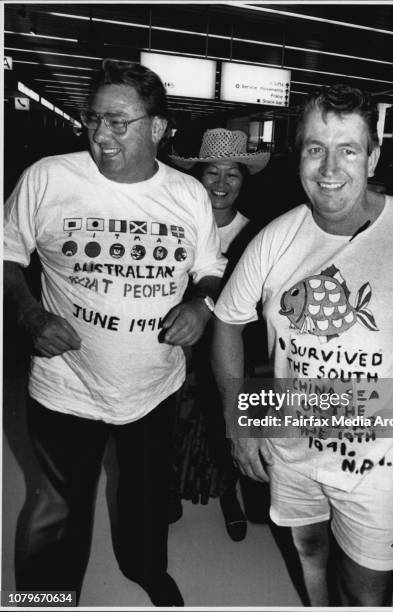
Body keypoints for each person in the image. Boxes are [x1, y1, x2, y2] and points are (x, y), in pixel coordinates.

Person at [211, 85, 393, 606]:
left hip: (384, 465)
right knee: (309, 552)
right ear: (298, 156)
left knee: (368, 594)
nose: (330, 168)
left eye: (348, 149)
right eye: (315, 149)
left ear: (372, 157)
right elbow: (226, 324)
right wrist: (243, 426)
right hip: (293, 452)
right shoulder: (274, 238)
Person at [3, 58, 226, 606]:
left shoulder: (188, 195)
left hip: (154, 386)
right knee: (57, 504)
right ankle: (45, 601)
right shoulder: (49, 178)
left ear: (156, 128)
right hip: (65, 384)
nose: (101, 134)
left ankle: (145, 567)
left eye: (118, 122)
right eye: (93, 119)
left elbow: (211, 269)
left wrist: (201, 305)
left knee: (146, 496)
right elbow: (6, 256)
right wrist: (31, 315)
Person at [169, 128, 270, 540]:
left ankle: (227, 494)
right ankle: (169, 490)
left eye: (233, 174)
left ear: (245, 180)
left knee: (225, 420)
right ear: (197, 175)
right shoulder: (175, 224)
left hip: (231, 347)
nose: (222, 184)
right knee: (173, 421)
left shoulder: (257, 234)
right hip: (179, 342)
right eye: (212, 172)